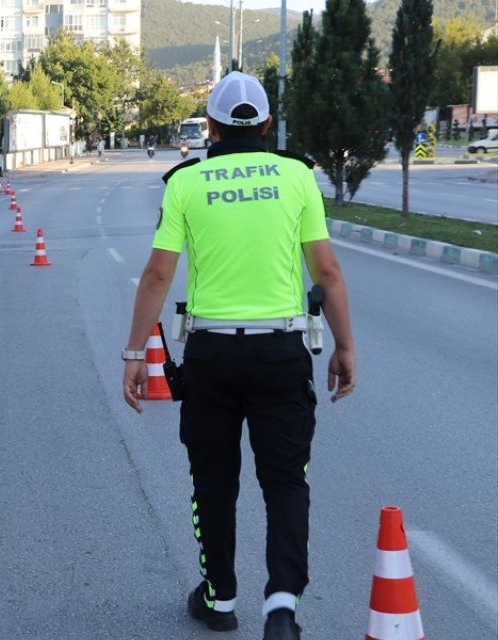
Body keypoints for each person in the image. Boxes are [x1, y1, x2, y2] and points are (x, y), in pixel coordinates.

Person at [121, 72, 355, 640]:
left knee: (213, 478)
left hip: (211, 356)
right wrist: (344, 345)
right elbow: (326, 270)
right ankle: (281, 606)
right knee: (285, 481)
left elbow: (157, 272)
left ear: (210, 124)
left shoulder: (186, 181)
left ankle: (220, 597)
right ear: (269, 124)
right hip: (280, 352)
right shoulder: (297, 176)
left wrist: (134, 352)